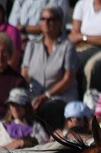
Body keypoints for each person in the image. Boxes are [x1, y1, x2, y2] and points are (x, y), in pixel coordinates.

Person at [21, 4, 77, 132]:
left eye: (51, 19)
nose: (46, 23)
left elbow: (68, 79)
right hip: (35, 96)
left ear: (60, 23)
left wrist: (46, 95)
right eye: (43, 19)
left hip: (60, 97)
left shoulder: (68, 46)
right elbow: (24, 73)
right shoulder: (32, 45)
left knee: (48, 108)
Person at [0, 86, 48, 151]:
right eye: (12, 104)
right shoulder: (2, 126)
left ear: (27, 106)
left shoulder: (36, 127)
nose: (15, 108)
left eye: (19, 104)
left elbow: (43, 148)